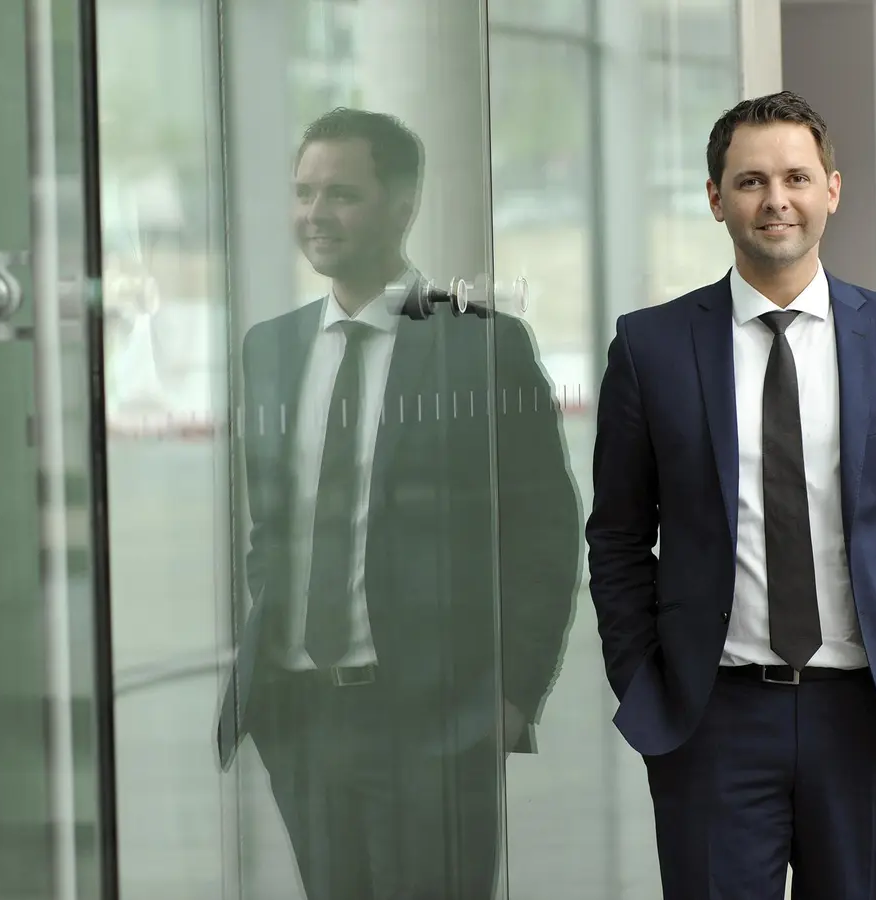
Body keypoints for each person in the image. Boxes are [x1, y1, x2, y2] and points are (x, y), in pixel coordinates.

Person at [586, 91, 876, 899]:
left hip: (870, 716)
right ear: (715, 198)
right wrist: (644, 682)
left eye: (797, 177)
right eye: (751, 181)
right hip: (713, 720)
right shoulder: (651, 348)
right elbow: (619, 537)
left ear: (831, 189)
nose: (776, 200)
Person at [215, 108, 581, 899]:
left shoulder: (481, 344)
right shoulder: (269, 349)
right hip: (304, 722)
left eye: (340, 194)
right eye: (303, 192)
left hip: (436, 724)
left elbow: (544, 536)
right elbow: (271, 528)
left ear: (402, 203)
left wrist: (511, 698)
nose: (315, 214)